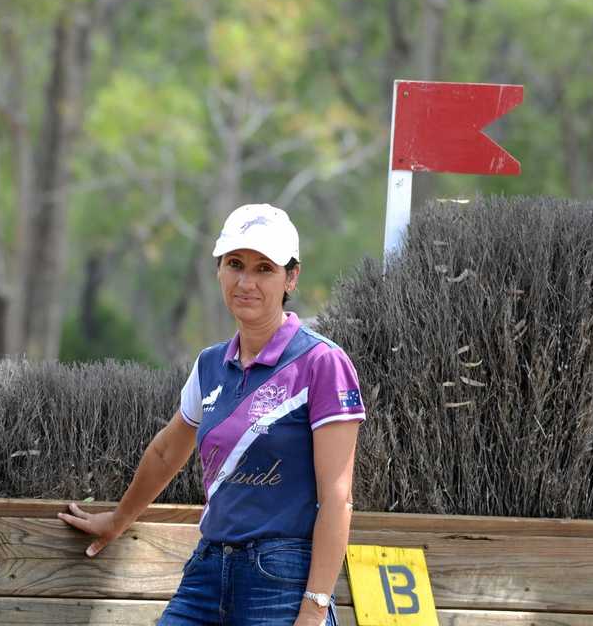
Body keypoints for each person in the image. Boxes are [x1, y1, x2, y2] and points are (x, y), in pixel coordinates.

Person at [60, 203, 366, 626]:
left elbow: (338, 497)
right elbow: (168, 452)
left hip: (282, 579)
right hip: (207, 570)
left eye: (264, 269)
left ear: (291, 277)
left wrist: (314, 608)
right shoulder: (209, 365)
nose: (246, 281)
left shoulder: (322, 363)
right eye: (235, 264)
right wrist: (118, 518)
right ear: (219, 270)